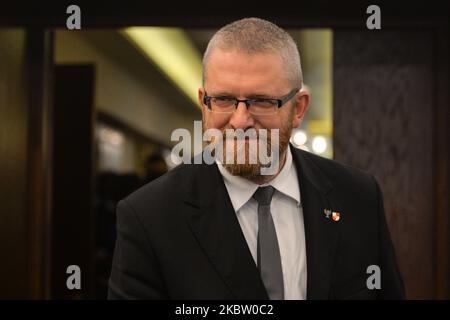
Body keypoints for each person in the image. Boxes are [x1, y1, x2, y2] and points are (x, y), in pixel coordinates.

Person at [108, 17, 405, 300]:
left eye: (262, 101)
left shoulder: (357, 197)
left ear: (298, 108)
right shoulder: (150, 217)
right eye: (223, 99)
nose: (239, 121)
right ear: (203, 103)